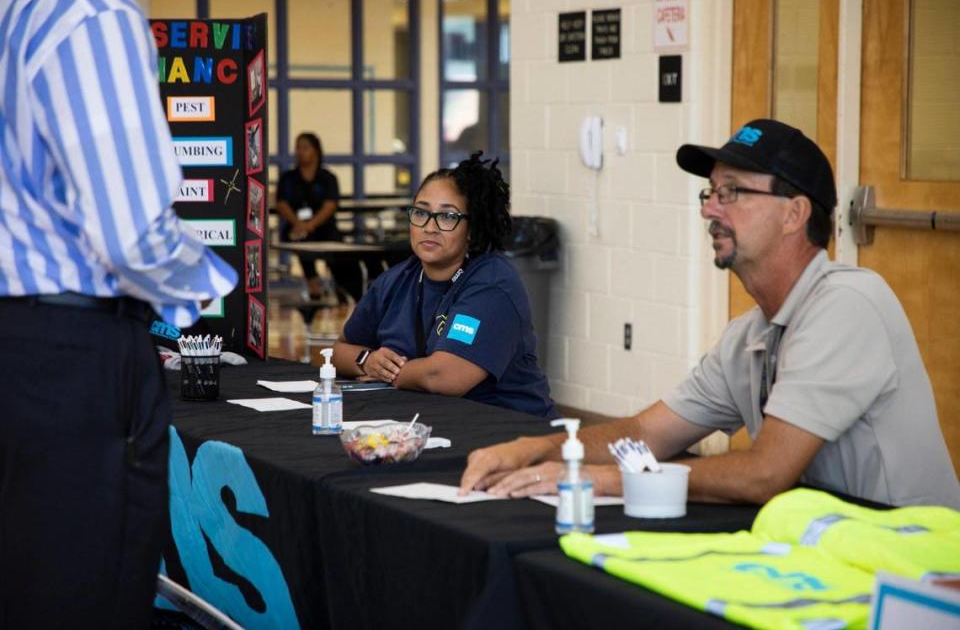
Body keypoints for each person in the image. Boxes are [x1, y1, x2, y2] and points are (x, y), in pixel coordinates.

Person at [459, 119, 960, 509]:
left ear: (795, 213)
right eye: (710, 193)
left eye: (733, 193)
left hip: (906, 562)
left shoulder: (847, 305)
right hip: (825, 543)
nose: (709, 210)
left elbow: (766, 474)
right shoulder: (749, 335)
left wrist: (599, 479)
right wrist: (539, 449)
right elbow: (646, 436)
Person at [0, 0, 238, 627]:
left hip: (26, 346)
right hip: (69, 355)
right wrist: (204, 284)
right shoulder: (93, 11)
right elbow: (130, 233)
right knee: (84, 593)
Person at [332, 153, 559, 419]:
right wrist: (367, 361)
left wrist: (389, 374)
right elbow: (338, 351)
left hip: (510, 430)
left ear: (471, 228)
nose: (430, 227)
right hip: (430, 424)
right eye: (421, 212)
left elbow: (444, 377)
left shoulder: (492, 284)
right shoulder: (396, 279)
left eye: (448, 217)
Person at [276, 133, 373, 303]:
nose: (300, 151)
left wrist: (310, 225)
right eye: (297, 147)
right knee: (300, 241)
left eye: (305, 147)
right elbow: (282, 203)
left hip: (324, 228)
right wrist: (299, 224)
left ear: (316, 151)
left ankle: (347, 289)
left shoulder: (327, 178)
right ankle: (314, 286)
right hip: (296, 228)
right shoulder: (288, 178)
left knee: (340, 253)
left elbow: (330, 206)